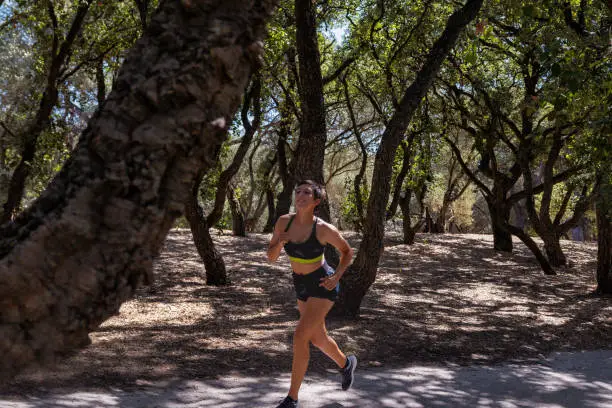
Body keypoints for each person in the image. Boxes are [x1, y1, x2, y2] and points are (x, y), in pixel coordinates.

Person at [267, 180, 357, 408]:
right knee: (317, 338)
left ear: (316, 201)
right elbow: (271, 257)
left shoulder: (323, 229)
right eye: (297, 191)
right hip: (300, 284)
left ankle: (292, 398)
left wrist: (336, 277)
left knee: (300, 336)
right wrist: (279, 243)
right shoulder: (283, 222)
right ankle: (347, 364)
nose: (300, 195)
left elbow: (347, 251)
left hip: (322, 284)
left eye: (306, 192)